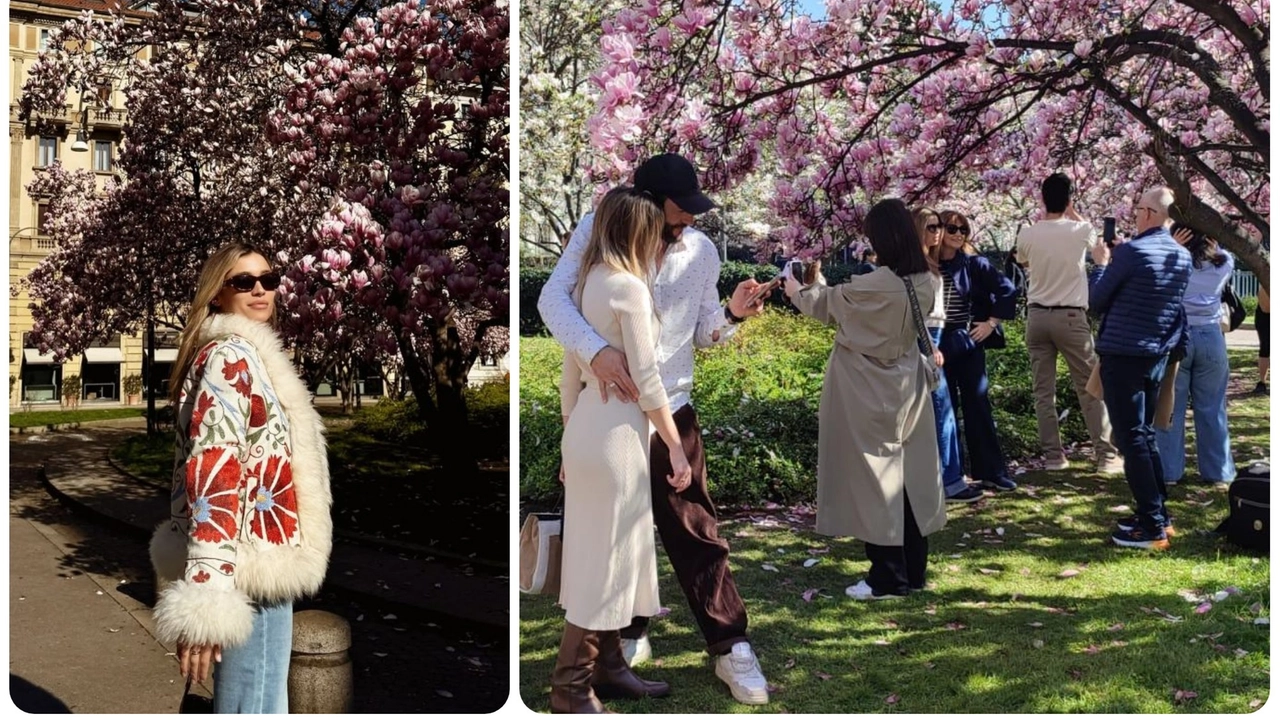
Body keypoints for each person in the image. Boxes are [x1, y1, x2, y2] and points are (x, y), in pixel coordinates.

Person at [538, 154, 772, 706]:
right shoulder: (600, 232)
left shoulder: (702, 251)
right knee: (617, 539)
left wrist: (732, 317)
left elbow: (703, 332)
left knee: (696, 531)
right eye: (680, 209)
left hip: (673, 408)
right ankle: (615, 647)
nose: (688, 219)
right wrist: (595, 352)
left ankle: (729, 644)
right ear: (646, 202)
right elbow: (553, 300)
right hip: (613, 413)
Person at [151, 242, 333, 713]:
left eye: (268, 280)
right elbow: (214, 472)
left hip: (250, 561)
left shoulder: (242, 355)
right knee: (254, 707)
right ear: (217, 294)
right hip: (249, 567)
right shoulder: (229, 358)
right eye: (243, 282)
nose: (260, 290)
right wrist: (207, 598)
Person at [551, 187, 693, 713]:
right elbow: (649, 381)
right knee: (605, 563)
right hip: (618, 435)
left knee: (607, 555)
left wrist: (569, 439)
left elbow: (570, 373)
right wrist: (677, 449)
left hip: (588, 424)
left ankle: (609, 668)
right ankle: (570, 687)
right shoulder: (629, 289)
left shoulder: (587, 284)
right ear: (639, 230)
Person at [784, 198, 946, 599]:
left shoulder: (870, 286)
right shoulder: (925, 281)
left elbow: (823, 305)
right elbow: (838, 301)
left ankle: (887, 576)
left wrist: (796, 287)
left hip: (864, 387)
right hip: (906, 384)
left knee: (876, 481)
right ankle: (913, 568)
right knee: (908, 479)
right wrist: (817, 286)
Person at [1089, 187, 1192, 549]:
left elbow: (1097, 301)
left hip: (1123, 353)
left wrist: (1101, 265)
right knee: (1145, 434)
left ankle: (1151, 526)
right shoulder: (1181, 256)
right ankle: (1159, 513)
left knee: (1131, 438)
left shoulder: (1131, 253)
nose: (1134, 214)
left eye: (1138, 209)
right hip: (1155, 354)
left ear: (1148, 213)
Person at [1015, 173, 1122, 475]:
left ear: (1041, 199)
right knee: (1089, 388)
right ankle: (1106, 456)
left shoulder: (1027, 233)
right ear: (1069, 199)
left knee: (1043, 392)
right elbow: (1099, 245)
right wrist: (1073, 211)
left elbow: (1024, 262)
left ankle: (1053, 456)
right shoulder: (1080, 229)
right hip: (1071, 317)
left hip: (1037, 316)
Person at [933, 210, 1019, 492]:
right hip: (936, 342)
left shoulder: (974, 264)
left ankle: (992, 471)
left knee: (978, 406)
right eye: (951, 228)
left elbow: (1008, 290)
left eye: (963, 230)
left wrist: (991, 323)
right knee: (944, 410)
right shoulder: (926, 264)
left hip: (967, 339)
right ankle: (951, 476)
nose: (958, 234)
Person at [1154, 224, 1236, 485]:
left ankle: (1168, 471)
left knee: (1170, 408)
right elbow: (1219, 252)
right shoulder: (1225, 264)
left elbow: (1159, 279)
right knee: (1212, 408)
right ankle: (1218, 471)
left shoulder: (1175, 262)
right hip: (1211, 338)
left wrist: (1172, 244)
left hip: (1178, 336)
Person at [912, 206, 982, 504]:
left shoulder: (930, 261)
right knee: (941, 410)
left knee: (944, 409)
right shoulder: (914, 265)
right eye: (931, 227)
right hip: (928, 338)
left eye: (939, 225)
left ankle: (950, 477)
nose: (938, 231)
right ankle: (949, 481)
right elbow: (914, 311)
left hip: (936, 334)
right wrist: (930, 346)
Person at [1255, 286, 1269, 395]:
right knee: (1265, 347)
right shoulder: (1267, 274)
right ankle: (1262, 383)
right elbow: (1266, 307)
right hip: (1266, 315)